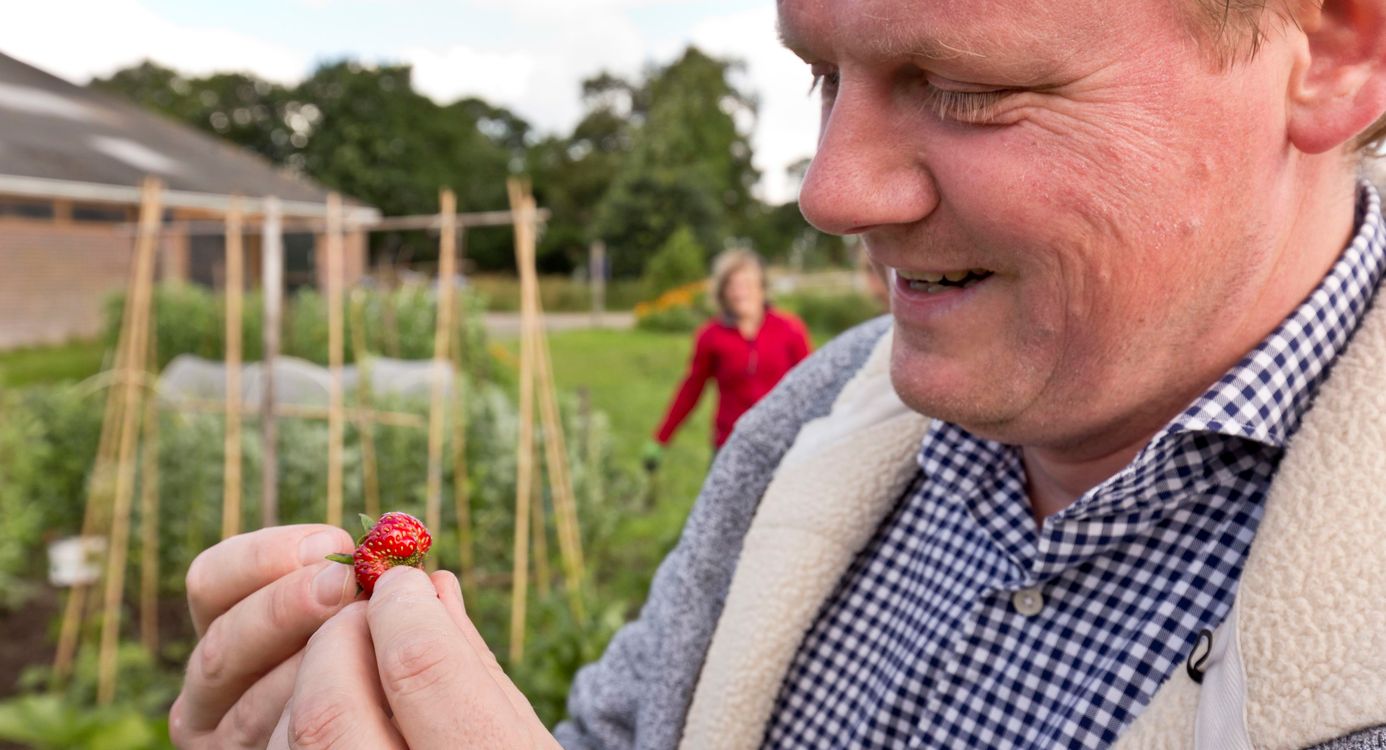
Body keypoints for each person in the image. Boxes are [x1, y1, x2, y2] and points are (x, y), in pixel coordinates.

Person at [169, 0, 1386, 746]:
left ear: (1329, 53)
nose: (830, 192)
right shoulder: (817, 429)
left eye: (967, 89)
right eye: (820, 76)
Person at [643, 249, 812, 471]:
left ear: (762, 288)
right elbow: (691, 390)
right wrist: (661, 439)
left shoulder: (789, 329)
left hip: (782, 443)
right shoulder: (711, 336)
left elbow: (812, 384)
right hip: (731, 444)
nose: (740, 292)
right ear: (723, 293)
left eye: (747, 284)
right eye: (733, 285)